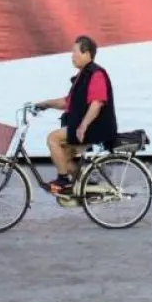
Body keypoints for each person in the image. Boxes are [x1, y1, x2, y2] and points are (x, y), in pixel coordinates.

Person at [34, 35, 117, 195]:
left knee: (53, 138)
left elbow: (97, 103)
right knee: (62, 157)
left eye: (74, 52)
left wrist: (83, 125)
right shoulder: (83, 75)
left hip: (96, 128)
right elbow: (67, 103)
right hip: (86, 126)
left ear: (86, 53)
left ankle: (63, 180)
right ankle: (87, 183)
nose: (72, 56)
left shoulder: (96, 73)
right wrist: (45, 103)